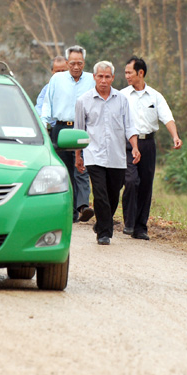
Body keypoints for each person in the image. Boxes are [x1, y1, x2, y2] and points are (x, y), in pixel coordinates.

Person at [74, 61, 140, 245]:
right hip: (93, 154)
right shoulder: (83, 101)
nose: (104, 80)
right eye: (100, 76)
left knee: (113, 194)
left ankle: (102, 222)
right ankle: (104, 233)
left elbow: (129, 127)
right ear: (94, 77)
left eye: (107, 76)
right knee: (100, 193)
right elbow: (79, 131)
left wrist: (134, 147)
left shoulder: (121, 100)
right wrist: (78, 156)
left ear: (112, 78)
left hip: (117, 156)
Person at [120, 56, 183, 240]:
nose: (126, 76)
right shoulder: (122, 95)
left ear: (141, 73)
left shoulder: (155, 96)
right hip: (128, 144)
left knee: (146, 185)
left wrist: (175, 136)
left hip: (148, 144)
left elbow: (167, 117)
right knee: (131, 181)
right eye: (125, 72)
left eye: (129, 72)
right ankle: (129, 222)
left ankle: (140, 227)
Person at [41, 45, 95, 223]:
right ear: (67, 62)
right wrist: (43, 124)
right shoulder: (57, 79)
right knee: (64, 171)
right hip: (61, 129)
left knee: (82, 168)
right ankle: (71, 211)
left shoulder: (91, 80)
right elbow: (47, 103)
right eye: (72, 63)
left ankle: (83, 206)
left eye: (80, 63)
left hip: (82, 129)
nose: (76, 67)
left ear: (84, 63)